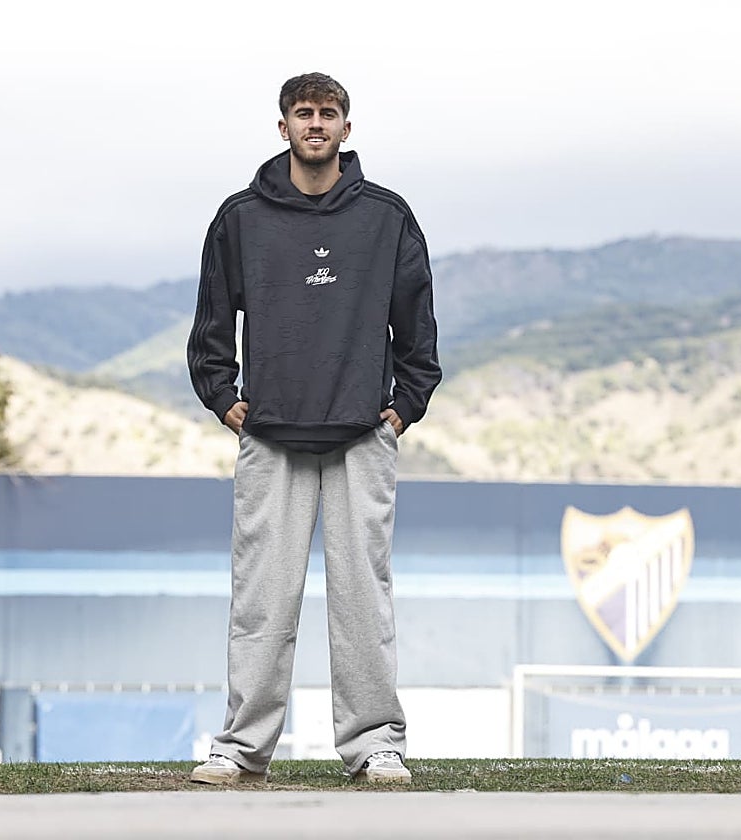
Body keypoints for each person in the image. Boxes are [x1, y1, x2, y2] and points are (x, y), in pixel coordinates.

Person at [185, 72, 440, 785]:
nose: (316, 124)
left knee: (363, 600)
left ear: (346, 129)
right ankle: (242, 749)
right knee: (261, 600)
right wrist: (223, 398)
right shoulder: (241, 218)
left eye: (329, 113)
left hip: (361, 432)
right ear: (285, 127)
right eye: (304, 113)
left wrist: (404, 406)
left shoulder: (386, 217)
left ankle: (375, 745)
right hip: (271, 434)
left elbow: (417, 327)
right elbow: (211, 323)